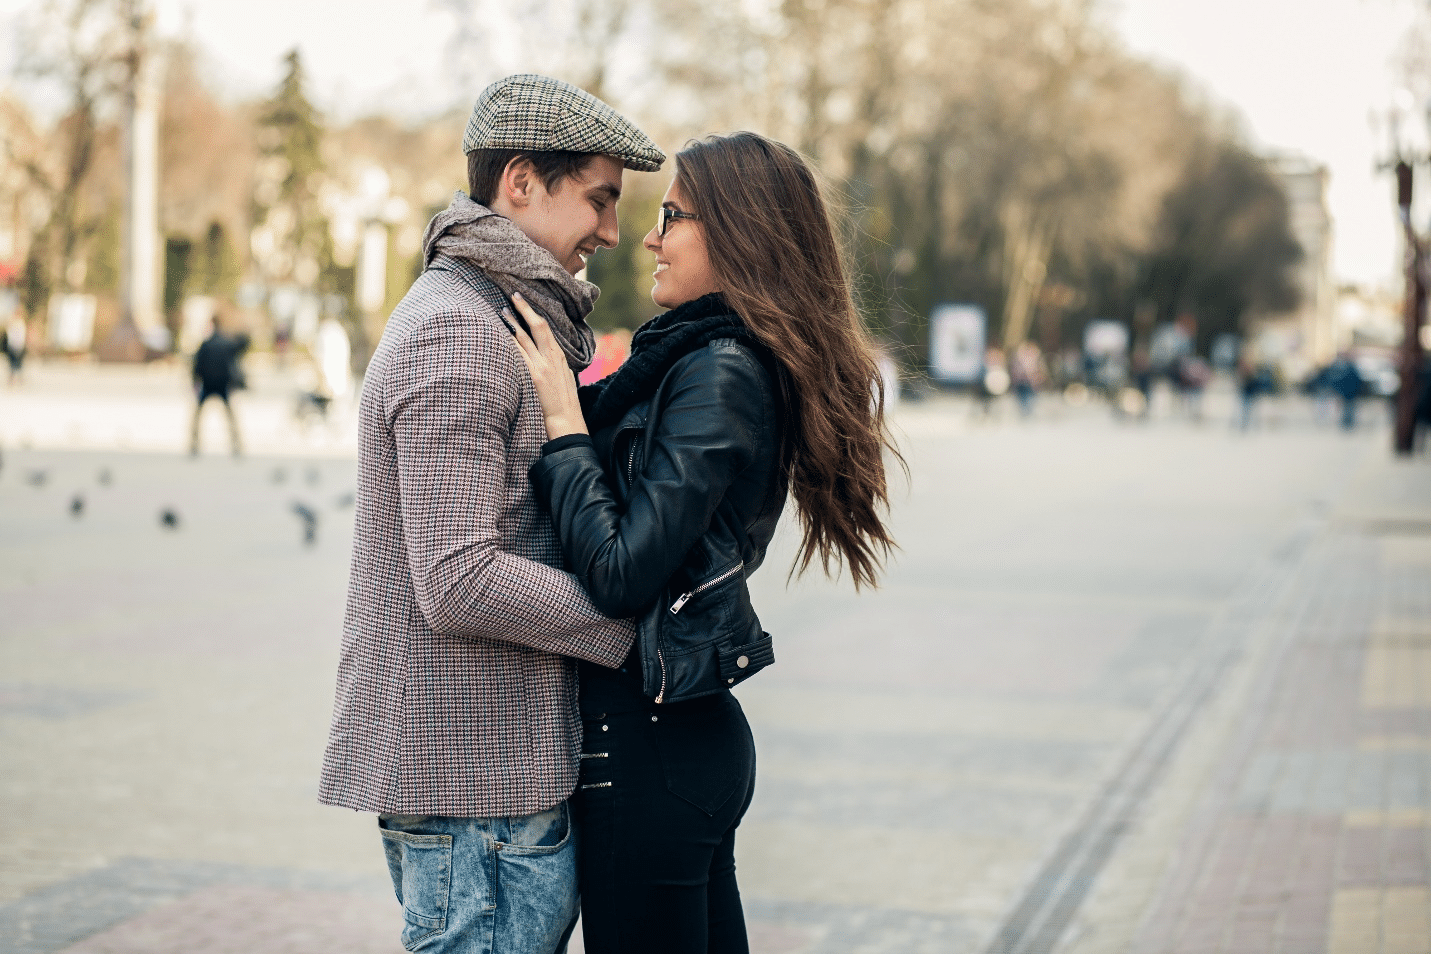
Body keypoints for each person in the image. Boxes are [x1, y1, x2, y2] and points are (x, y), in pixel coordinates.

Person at [510, 131, 901, 953]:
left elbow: (620, 574)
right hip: (677, 741)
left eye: (673, 217)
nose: (648, 237)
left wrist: (562, 426)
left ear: (738, 232)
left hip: (649, 749)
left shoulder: (718, 370)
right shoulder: (696, 358)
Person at [317, 74, 664, 954]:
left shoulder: (492, 314)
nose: (613, 232)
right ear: (519, 182)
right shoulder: (460, 330)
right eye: (598, 198)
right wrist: (631, 627)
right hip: (476, 790)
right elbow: (458, 579)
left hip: (490, 785)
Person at [189, 319, 244, 456]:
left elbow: (197, 366)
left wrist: (194, 382)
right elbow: (239, 353)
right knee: (229, 415)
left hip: (207, 384)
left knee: (198, 415)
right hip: (223, 384)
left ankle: (194, 444)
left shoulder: (206, 344)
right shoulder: (227, 344)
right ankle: (236, 443)